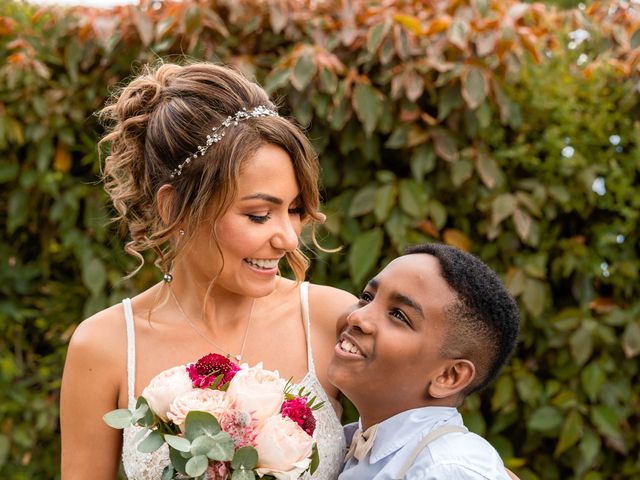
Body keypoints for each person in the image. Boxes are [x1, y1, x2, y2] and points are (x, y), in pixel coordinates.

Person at [60, 62, 356, 480]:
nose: (289, 239)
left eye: (293, 210)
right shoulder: (104, 347)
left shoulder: (333, 320)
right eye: (258, 215)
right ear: (174, 207)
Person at [328, 243, 521, 480]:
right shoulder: (351, 445)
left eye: (398, 315)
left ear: (448, 376)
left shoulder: (446, 469)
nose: (357, 316)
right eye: (367, 297)